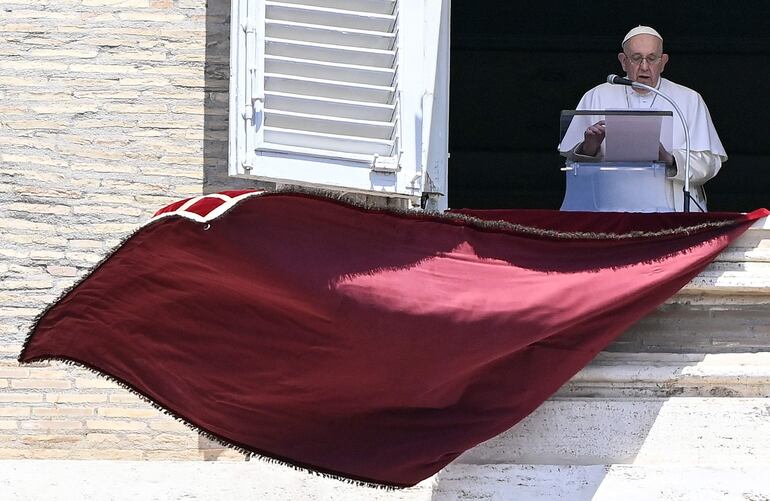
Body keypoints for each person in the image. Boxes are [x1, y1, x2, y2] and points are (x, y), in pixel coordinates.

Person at [559, 26, 727, 211]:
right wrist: (589, 147)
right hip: (610, 210)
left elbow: (710, 162)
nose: (644, 66)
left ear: (663, 62)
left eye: (652, 58)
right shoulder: (596, 96)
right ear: (623, 61)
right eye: (637, 58)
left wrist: (669, 158)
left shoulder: (688, 99)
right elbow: (572, 164)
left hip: (671, 213)